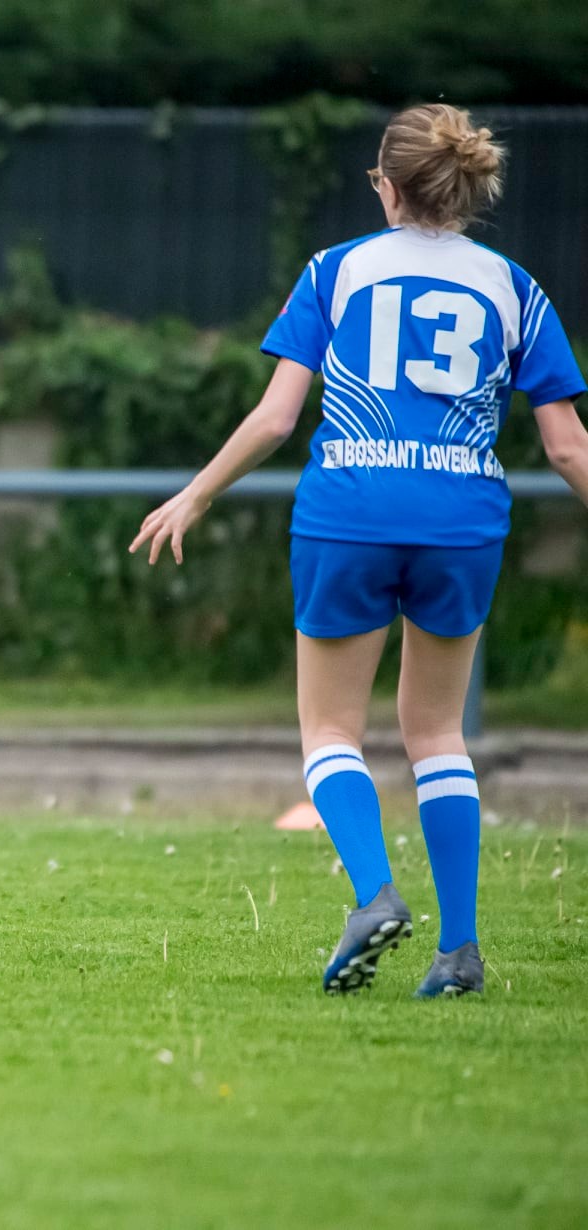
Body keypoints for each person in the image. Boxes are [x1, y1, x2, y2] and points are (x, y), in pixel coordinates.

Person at [130, 105, 588, 996]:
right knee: (438, 734)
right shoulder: (512, 286)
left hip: (351, 511)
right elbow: (567, 447)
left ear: (386, 183)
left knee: (332, 730)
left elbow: (275, 418)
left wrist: (194, 492)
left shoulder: (335, 271)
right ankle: (458, 951)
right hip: (462, 519)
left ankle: (375, 894)